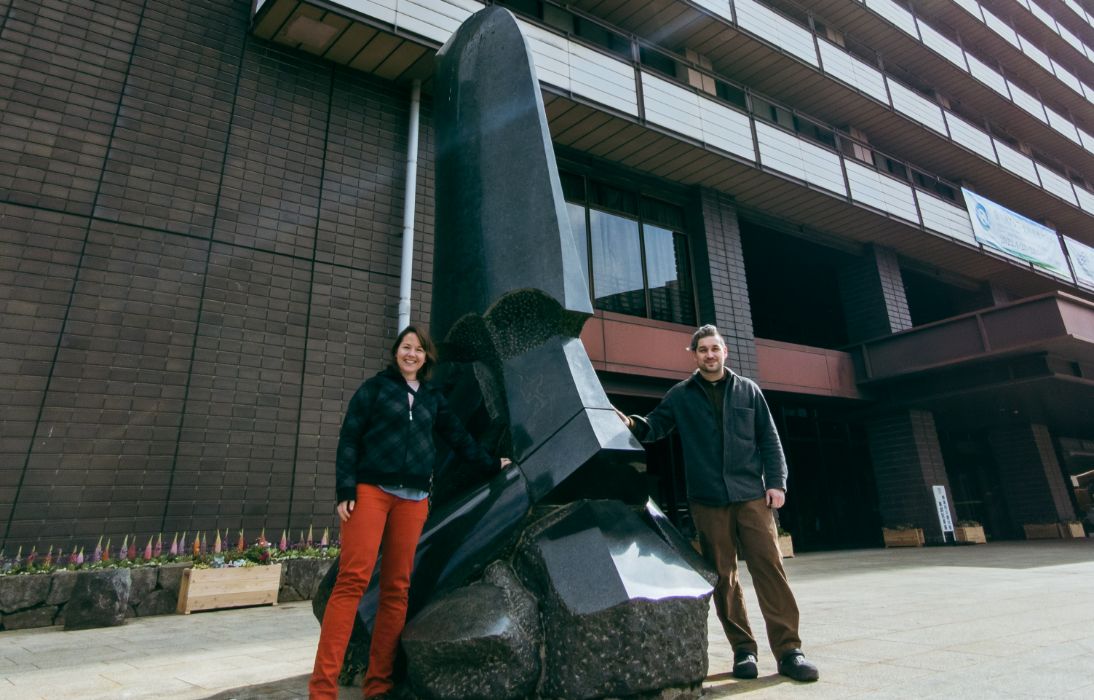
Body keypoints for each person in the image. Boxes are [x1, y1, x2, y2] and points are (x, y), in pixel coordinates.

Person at [309, 325, 510, 699]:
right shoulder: (374, 390)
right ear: (395, 352)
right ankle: (322, 689)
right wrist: (345, 489)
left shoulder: (434, 398)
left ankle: (378, 684)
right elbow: (349, 438)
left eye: (418, 349)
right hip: (370, 492)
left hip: (414, 500)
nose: (411, 353)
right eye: (406, 347)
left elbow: (460, 439)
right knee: (352, 582)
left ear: (426, 357)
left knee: (397, 589)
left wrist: (491, 465)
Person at [614, 324, 819, 683]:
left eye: (715, 348)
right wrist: (631, 422)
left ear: (725, 352)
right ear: (693, 355)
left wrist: (777, 484)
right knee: (724, 576)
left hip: (751, 496)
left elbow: (770, 441)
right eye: (703, 350)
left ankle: (789, 651)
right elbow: (656, 426)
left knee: (770, 569)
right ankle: (744, 651)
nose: (709, 354)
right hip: (708, 501)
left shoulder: (749, 392)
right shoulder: (680, 395)